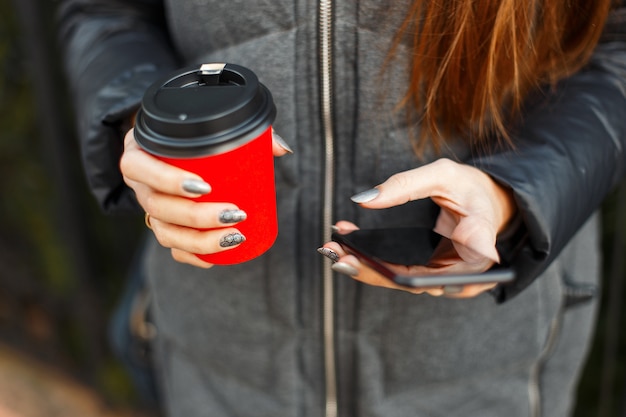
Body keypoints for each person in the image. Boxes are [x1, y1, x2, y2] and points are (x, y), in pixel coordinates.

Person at [57, 1, 626, 416]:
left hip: (480, 368)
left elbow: (615, 43)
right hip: (223, 354)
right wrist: (151, 126)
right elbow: (106, 12)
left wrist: (516, 191)